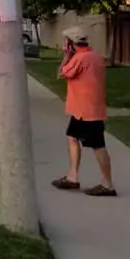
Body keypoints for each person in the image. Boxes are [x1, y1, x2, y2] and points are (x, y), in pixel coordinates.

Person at [51, 26, 116, 197]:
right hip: (83, 109)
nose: (64, 45)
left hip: (87, 110)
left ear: (71, 44)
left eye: (66, 42)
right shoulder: (94, 56)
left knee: (98, 145)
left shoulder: (80, 58)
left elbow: (61, 73)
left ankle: (108, 184)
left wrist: (66, 55)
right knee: (72, 137)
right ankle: (72, 177)